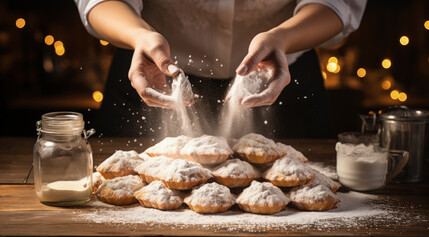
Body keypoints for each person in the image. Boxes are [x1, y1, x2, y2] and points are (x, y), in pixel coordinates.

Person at [75, 0, 366, 138]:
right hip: (151, 75)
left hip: (280, 78)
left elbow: (337, 3)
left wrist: (283, 37)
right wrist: (139, 35)